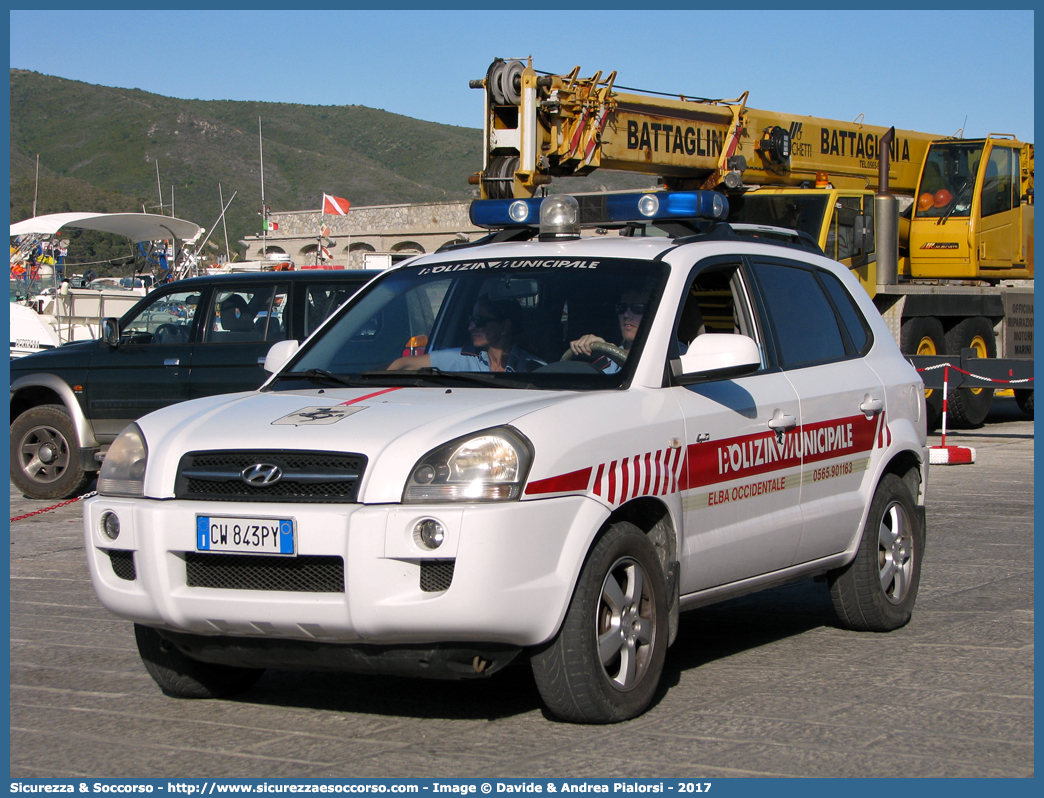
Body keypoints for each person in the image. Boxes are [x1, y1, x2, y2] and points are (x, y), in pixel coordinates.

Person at [387, 295, 544, 373]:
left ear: (505, 326)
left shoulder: (533, 367)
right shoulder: (464, 357)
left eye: (479, 321)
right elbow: (404, 364)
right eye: (471, 320)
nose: (471, 327)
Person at [568, 288, 649, 374]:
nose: (626, 314)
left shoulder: (662, 359)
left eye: (638, 308)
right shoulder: (606, 361)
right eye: (622, 308)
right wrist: (589, 349)